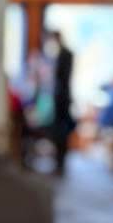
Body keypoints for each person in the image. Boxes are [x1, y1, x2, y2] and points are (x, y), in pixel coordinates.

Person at [43, 30, 76, 176]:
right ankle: (59, 162)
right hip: (60, 98)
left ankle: (60, 163)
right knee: (58, 132)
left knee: (61, 132)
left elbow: (62, 79)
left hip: (62, 99)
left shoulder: (65, 55)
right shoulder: (59, 55)